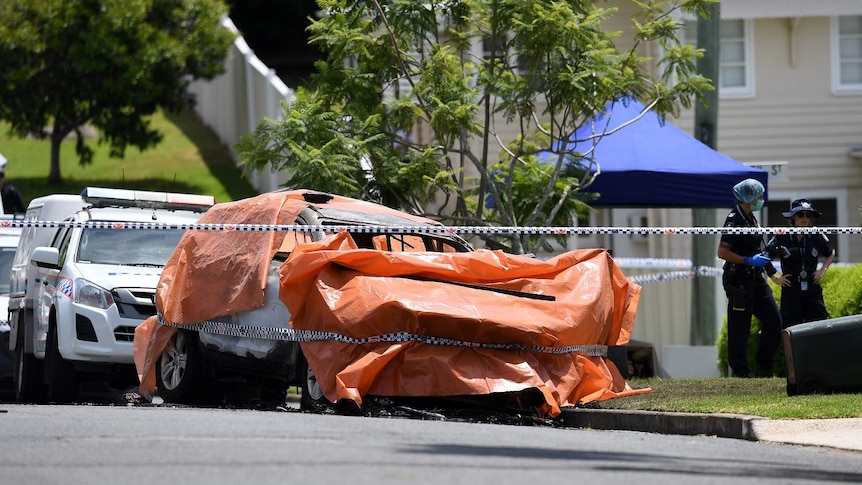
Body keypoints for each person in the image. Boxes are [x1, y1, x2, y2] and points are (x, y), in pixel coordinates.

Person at [717, 178, 783, 378]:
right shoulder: (734, 219)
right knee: (740, 329)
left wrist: (771, 272)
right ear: (749, 197)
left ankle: (764, 369)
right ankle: (741, 373)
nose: (762, 199)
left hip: (756, 279)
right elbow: (722, 252)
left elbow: (758, 249)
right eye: (760, 196)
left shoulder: (751, 217)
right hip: (739, 280)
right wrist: (747, 260)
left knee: (773, 321)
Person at [769, 199, 835, 329]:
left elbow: (830, 252)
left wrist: (823, 270)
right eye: (800, 214)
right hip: (791, 288)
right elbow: (764, 256)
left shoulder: (815, 234)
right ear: (793, 217)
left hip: (812, 285)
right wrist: (775, 278)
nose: (804, 218)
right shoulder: (783, 235)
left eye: (808, 215)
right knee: (790, 330)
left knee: (818, 327)